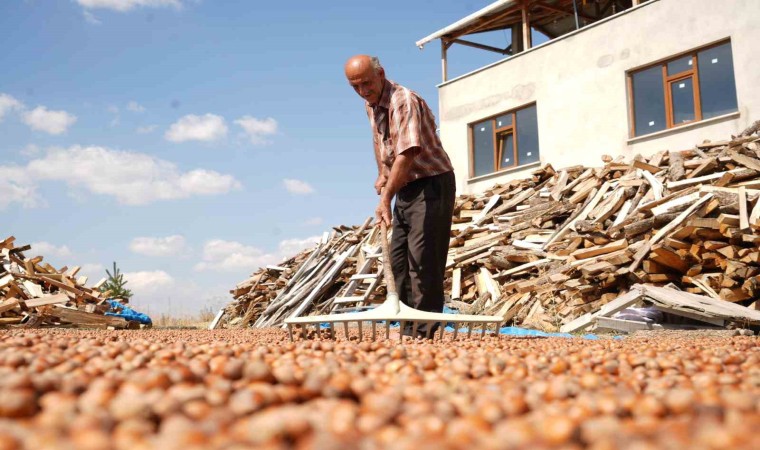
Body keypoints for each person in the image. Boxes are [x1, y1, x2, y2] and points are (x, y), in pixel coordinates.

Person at [344, 54, 456, 338]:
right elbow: (380, 142)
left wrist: (385, 199)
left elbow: (407, 153)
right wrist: (382, 172)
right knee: (399, 262)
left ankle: (425, 331)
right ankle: (407, 329)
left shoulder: (402, 100)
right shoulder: (371, 105)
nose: (362, 91)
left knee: (423, 260)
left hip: (431, 183)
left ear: (381, 74)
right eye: (354, 86)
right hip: (405, 184)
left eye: (366, 83)